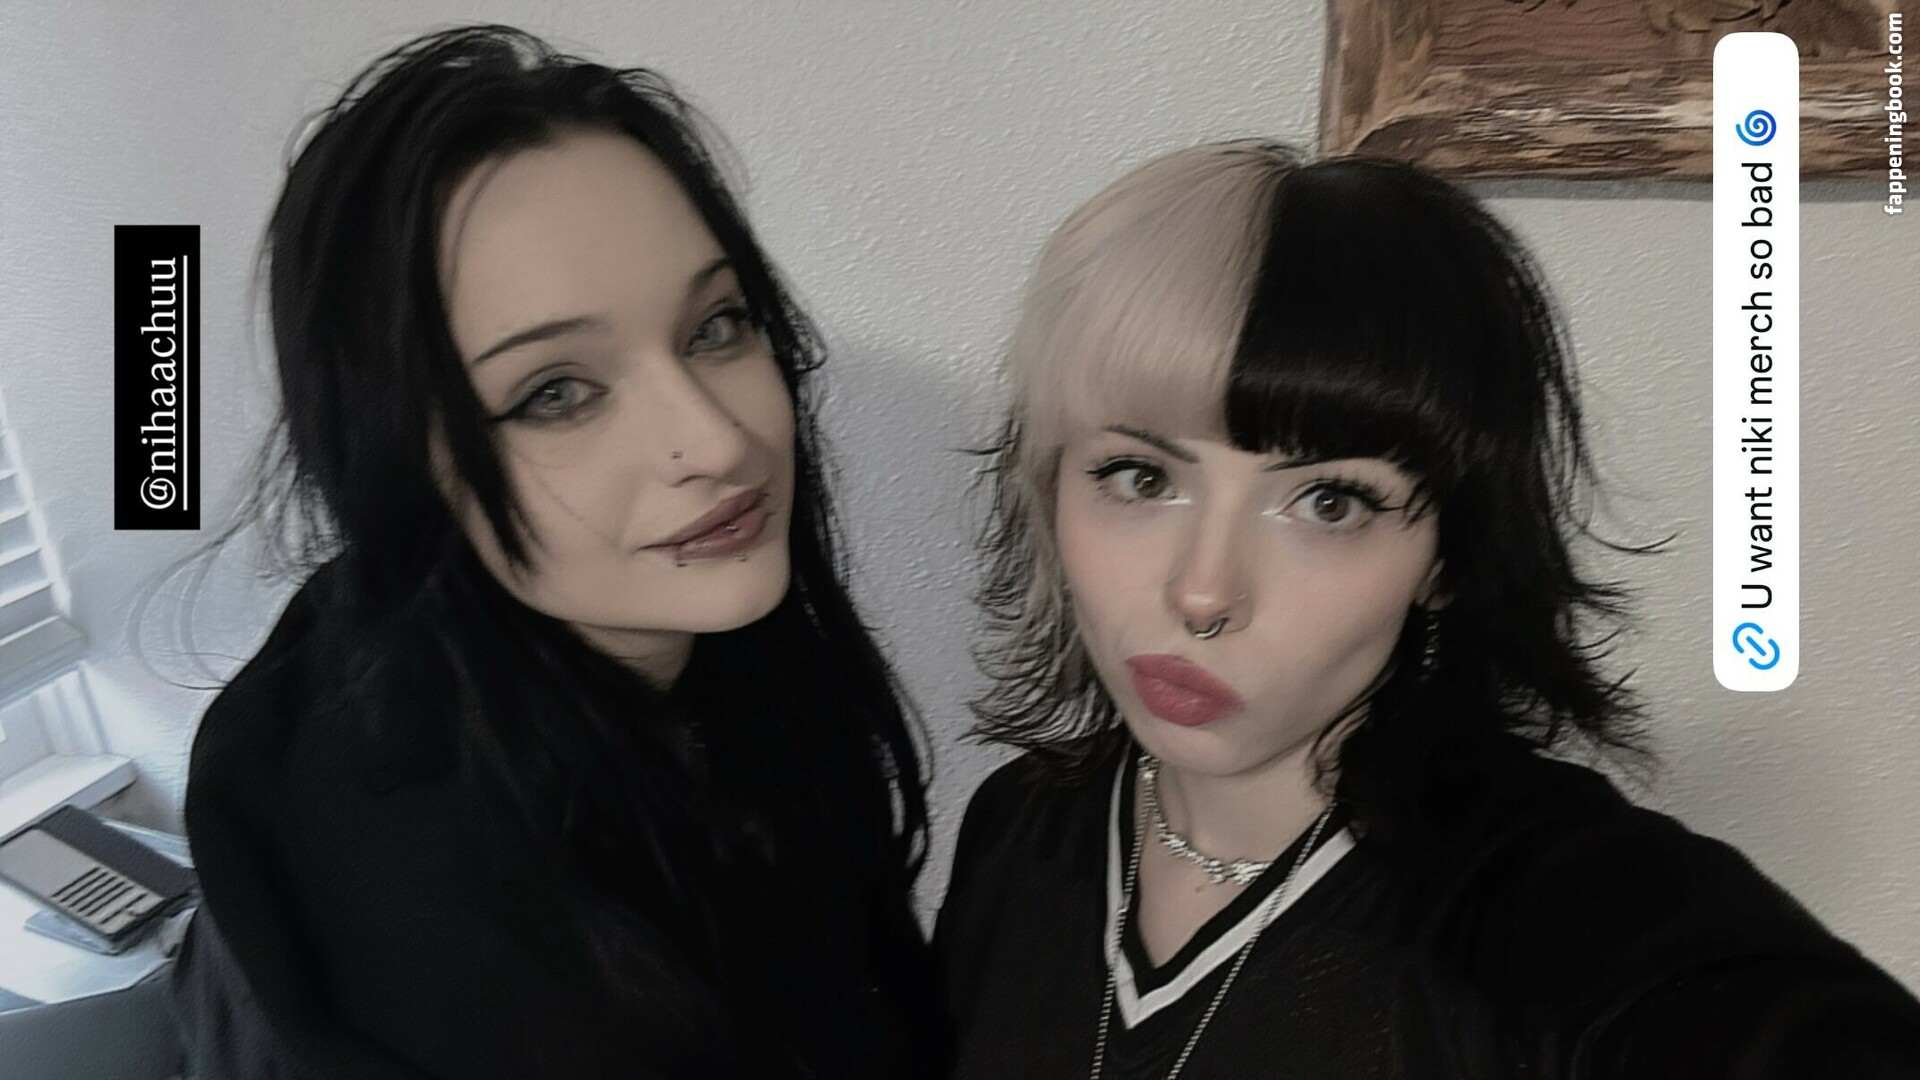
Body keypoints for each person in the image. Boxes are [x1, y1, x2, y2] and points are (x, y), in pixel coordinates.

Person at [936, 141, 1920, 1078]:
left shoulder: (1555, 907)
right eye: (1141, 477)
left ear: (1448, 555)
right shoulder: (1022, 828)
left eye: (1329, 503)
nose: (1202, 593)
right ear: (1050, 483)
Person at [170, 26, 941, 1079]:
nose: (719, 442)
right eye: (556, 394)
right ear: (397, 466)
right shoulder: (477, 968)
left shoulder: (692, 665)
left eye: (716, 326)